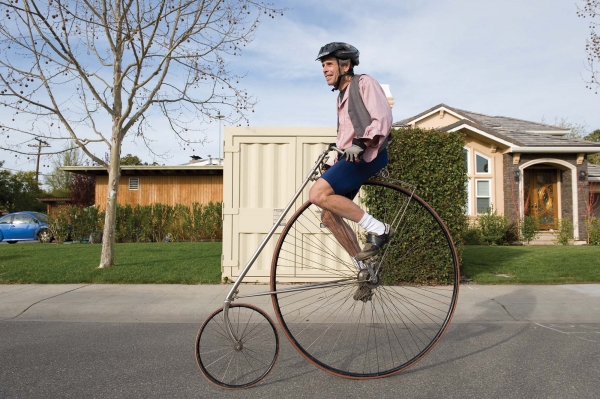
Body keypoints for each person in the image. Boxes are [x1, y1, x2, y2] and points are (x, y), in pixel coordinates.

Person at [308, 42, 394, 276]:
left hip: (369, 155)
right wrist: (332, 165)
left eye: (328, 64)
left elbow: (383, 117)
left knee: (316, 194)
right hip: (352, 158)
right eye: (323, 65)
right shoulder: (341, 98)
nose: (324, 70)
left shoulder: (364, 83)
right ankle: (364, 269)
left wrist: (361, 143)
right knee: (328, 216)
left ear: (345, 65)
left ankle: (379, 229)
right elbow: (345, 138)